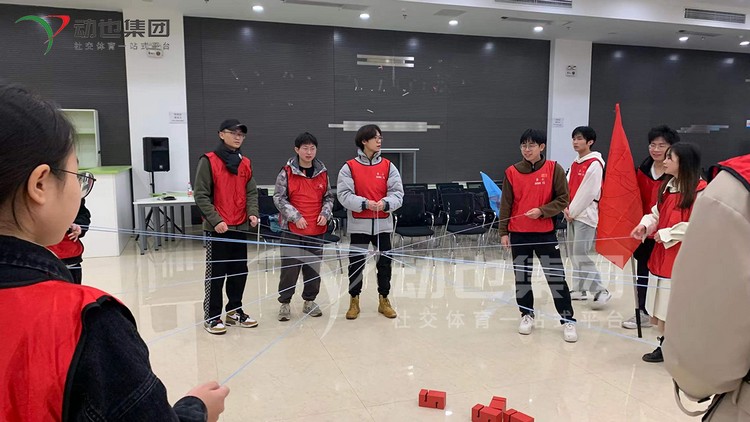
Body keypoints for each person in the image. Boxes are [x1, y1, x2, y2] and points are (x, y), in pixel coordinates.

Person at [0, 83, 228, 421]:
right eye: (77, 174)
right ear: (40, 184)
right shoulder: (90, 322)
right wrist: (196, 409)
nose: (80, 186)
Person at [663, 154, 750, 421]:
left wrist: (692, 378)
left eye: (670, 156)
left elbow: (708, 317)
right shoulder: (667, 187)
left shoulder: (732, 189)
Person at [499, 129, 577, 343]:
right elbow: (505, 204)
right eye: (523, 145)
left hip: (545, 234)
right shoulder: (511, 172)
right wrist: (503, 232)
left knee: (556, 278)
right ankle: (526, 314)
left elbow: (563, 199)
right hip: (519, 234)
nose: (527, 149)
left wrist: (542, 211)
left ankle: (568, 319)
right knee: (522, 278)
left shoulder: (554, 169)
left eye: (531, 145)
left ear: (541, 147)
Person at [630, 142, 705, 363]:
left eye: (670, 158)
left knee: (678, 305)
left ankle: (682, 348)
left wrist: (667, 233)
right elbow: (656, 213)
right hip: (662, 256)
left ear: (684, 162)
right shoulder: (668, 187)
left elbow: (700, 224)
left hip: (683, 259)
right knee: (661, 303)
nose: (664, 161)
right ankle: (666, 343)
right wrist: (645, 225)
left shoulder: (701, 191)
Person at [194, 119, 259, 335]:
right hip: (218, 229)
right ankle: (212, 317)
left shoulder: (245, 162)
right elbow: (201, 195)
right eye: (233, 133)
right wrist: (216, 220)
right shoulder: (209, 161)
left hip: (239, 227)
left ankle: (234, 311)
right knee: (216, 274)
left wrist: (252, 213)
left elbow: (251, 191)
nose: (238, 137)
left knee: (239, 272)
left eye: (241, 134)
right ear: (221, 134)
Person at [337, 124, 403, 320]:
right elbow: (344, 195)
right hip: (359, 225)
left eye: (380, 138)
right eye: (375, 138)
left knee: (385, 264)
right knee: (356, 264)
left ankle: (384, 300)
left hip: (383, 225)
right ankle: (354, 300)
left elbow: (398, 194)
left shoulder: (389, 166)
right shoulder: (349, 167)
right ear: (364, 141)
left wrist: (385, 203)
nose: (379, 141)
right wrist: (365, 203)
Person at [622, 125, 680, 329]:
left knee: (667, 276)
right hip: (644, 230)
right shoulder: (643, 170)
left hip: (668, 234)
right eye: (652, 145)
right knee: (643, 272)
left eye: (661, 145)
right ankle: (643, 311)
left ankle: (669, 314)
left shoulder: (678, 176)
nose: (656, 149)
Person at [273, 132, 334, 321]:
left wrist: (325, 213)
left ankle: (309, 300)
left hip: (316, 229)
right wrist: (295, 216)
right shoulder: (286, 172)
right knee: (290, 268)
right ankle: (285, 302)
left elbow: (329, 197)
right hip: (293, 229)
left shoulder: (322, 173)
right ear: (297, 150)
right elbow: (279, 198)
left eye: (312, 148)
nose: (309, 152)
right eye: (305, 148)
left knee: (313, 268)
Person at [563, 126, 609, 308]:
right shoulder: (575, 163)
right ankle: (579, 289)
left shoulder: (595, 164)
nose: (575, 142)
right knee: (573, 253)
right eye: (574, 138)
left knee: (580, 253)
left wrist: (572, 211)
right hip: (571, 214)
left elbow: (588, 192)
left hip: (585, 215)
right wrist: (565, 208)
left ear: (590, 142)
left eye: (580, 138)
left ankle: (600, 290)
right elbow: (566, 187)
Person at [47, 198, 91, 284]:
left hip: (71, 256)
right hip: (45, 256)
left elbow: (83, 214)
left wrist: (79, 225)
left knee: (74, 288)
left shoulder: (73, 195)